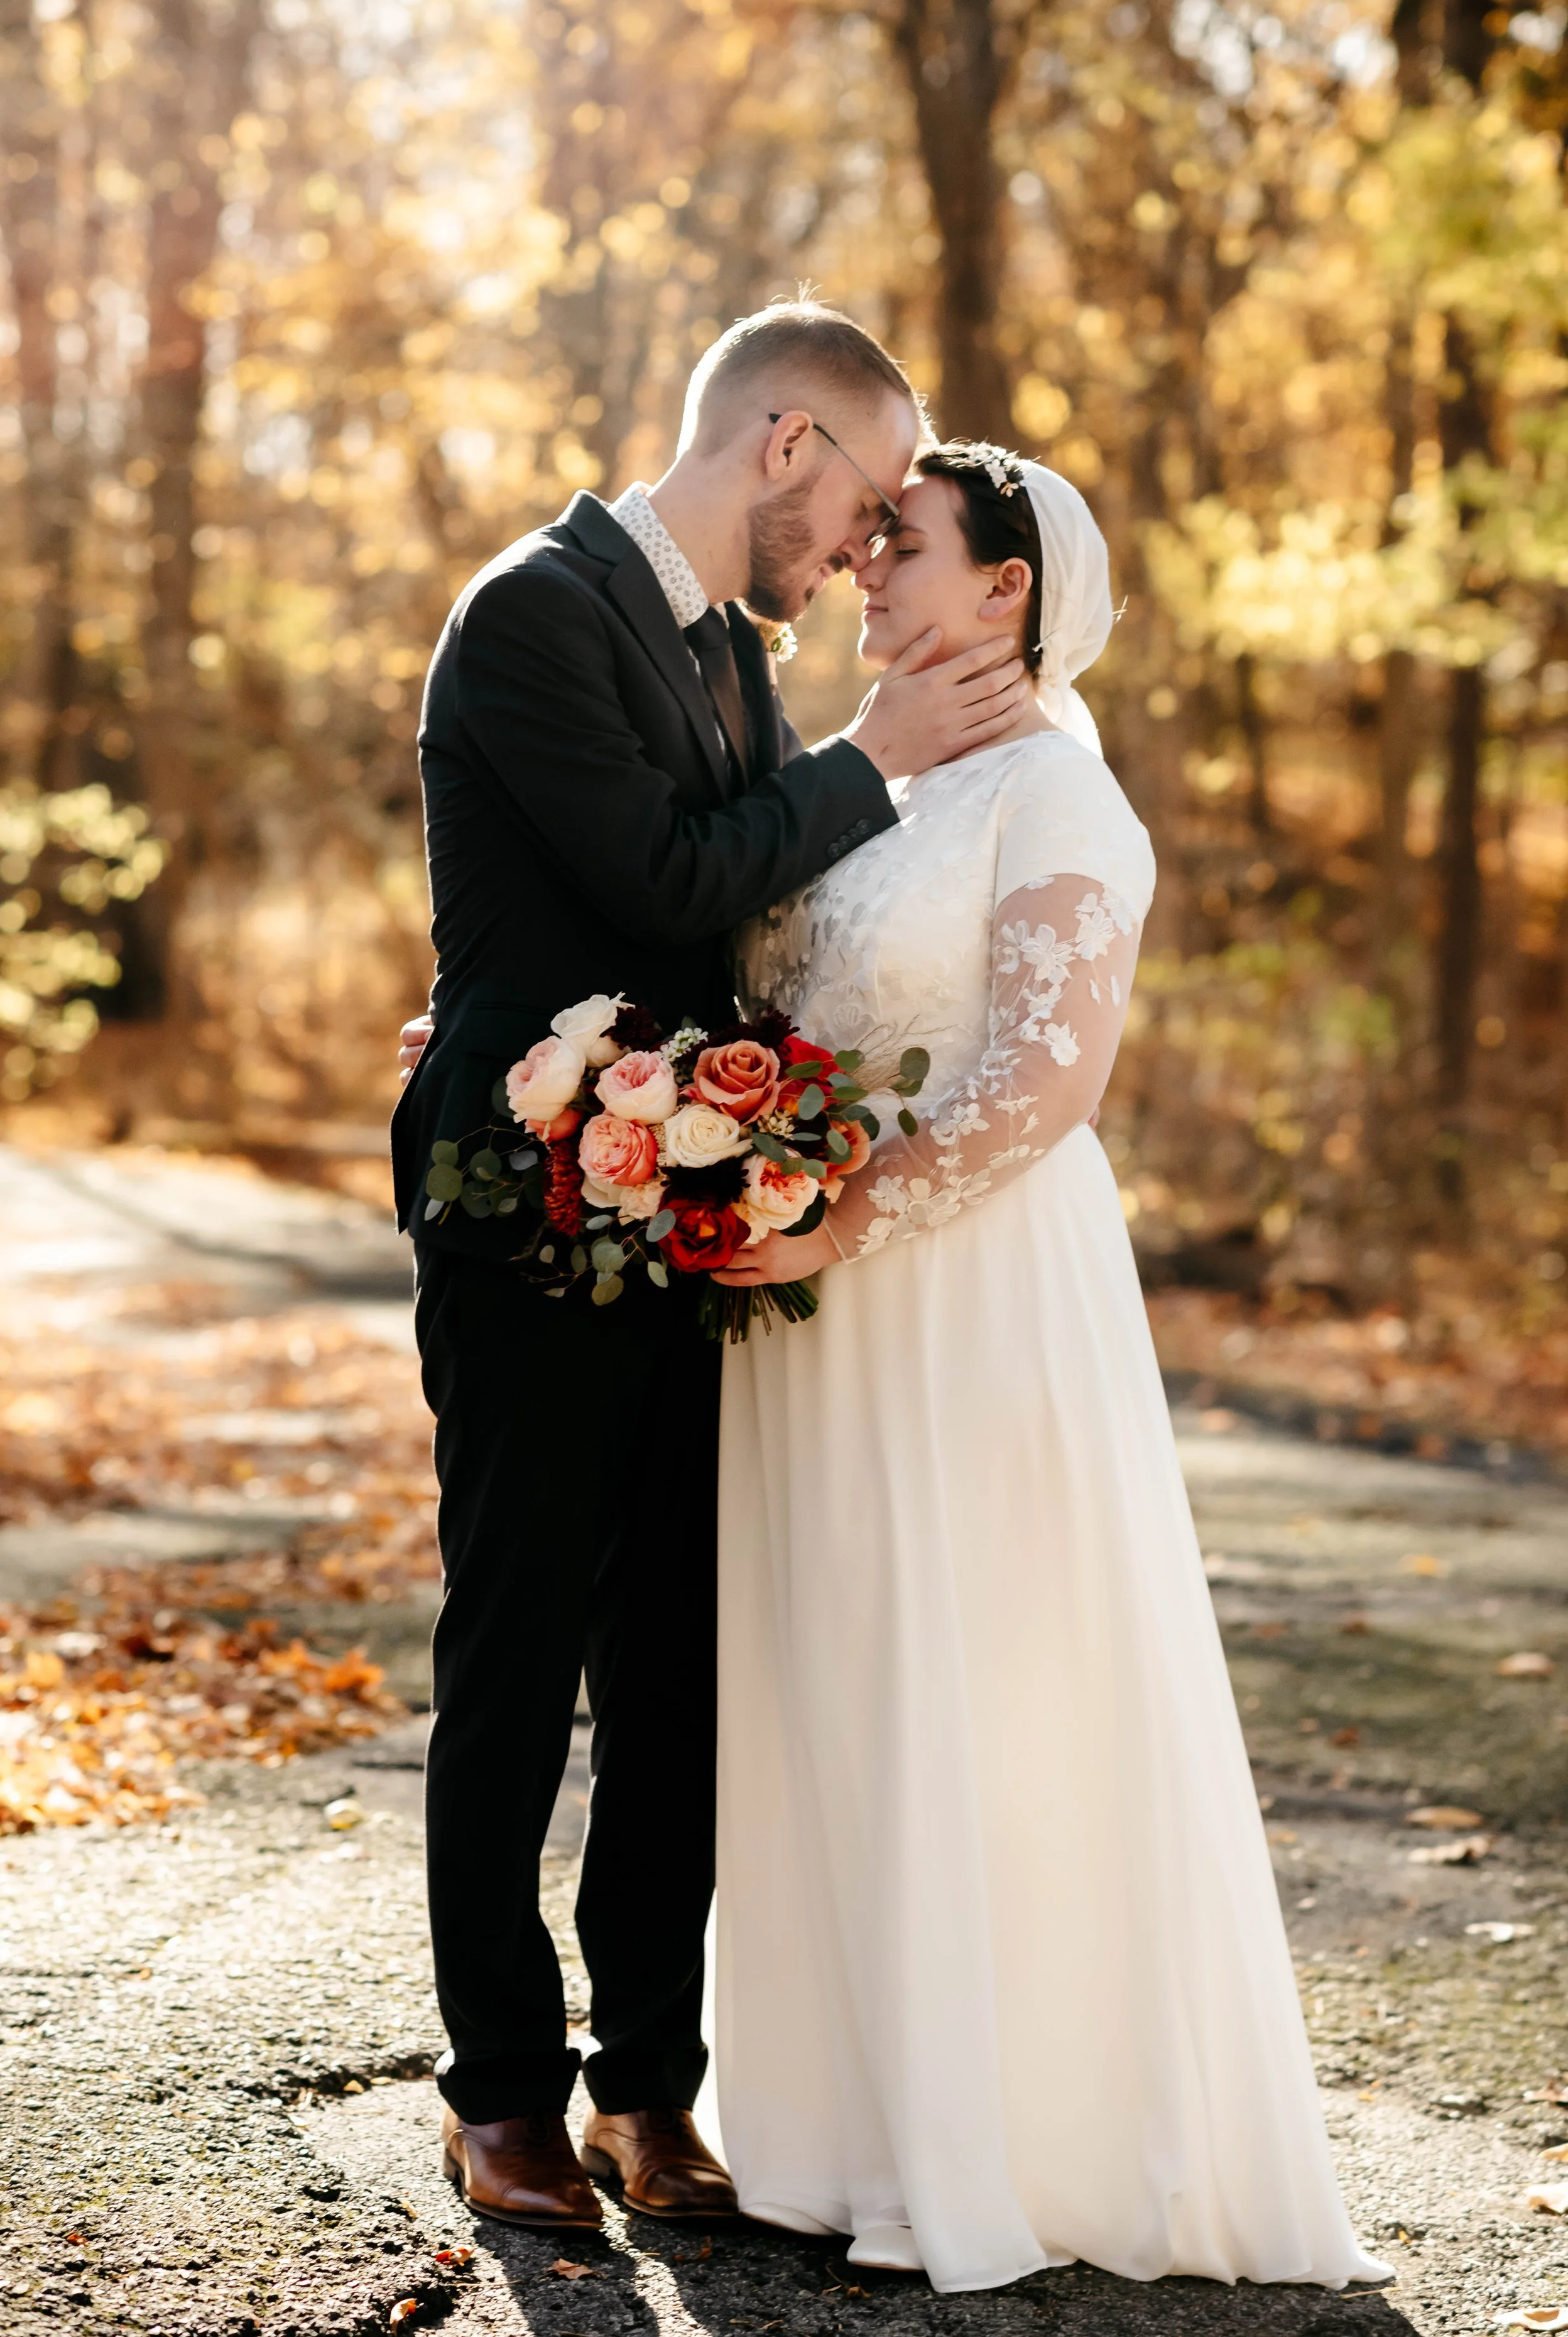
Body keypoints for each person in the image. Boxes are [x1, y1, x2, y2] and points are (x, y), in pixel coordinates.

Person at [705, 444, 1391, 2294]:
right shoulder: (851, 783)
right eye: (864, 534)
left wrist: (844, 1216)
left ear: (1004, 589)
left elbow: (1040, 1085)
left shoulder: (1059, 798)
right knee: (834, 1667)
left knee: (983, 1669)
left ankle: (1011, 2135)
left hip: (970, 1288)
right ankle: (840, 2125)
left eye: (902, 541)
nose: (861, 559)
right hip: (810, 1310)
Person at [389, 304, 1036, 2233]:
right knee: (515, 1645)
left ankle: (642, 2093)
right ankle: (497, 2091)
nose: (853, 551)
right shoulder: (530, 611)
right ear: (780, 441)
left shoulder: (729, 658)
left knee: (675, 1654)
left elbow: (745, 926)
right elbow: (668, 882)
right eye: (851, 503)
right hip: (521, 1200)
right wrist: (879, 755)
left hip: (689, 1207)